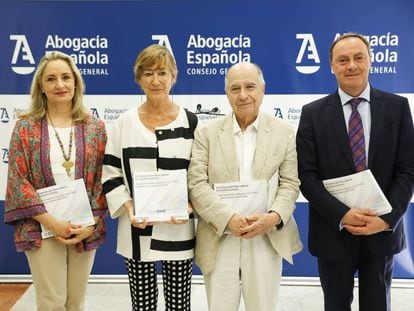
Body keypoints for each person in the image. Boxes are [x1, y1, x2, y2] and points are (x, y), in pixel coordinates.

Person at [296, 32, 414, 311]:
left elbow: (407, 169)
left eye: (358, 58)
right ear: (332, 66)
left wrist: (386, 220)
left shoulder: (397, 108)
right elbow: (307, 177)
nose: (351, 65)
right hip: (333, 231)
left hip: (380, 232)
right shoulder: (312, 114)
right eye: (343, 59)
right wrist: (342, 214)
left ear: (371, 61)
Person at [188, 62, 302, 311]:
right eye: (234, 88)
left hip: (266, 235)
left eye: (250, 87)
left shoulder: (283, 131)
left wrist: (272, 218)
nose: (242, 95)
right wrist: (228, 218)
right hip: (220, 234)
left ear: (263, 89)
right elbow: (196, 184)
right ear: (226, 93)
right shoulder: (206, 133)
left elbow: (290, 183)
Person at [4, 51, 108, 310]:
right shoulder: (26, 127)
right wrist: (52, 222)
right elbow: (18, 181)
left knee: (75, 302)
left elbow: (103, 178)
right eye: (51, 79)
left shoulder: (95, 127)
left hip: (83, 226)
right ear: (41, 85)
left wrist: (91, 223)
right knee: (51, 301)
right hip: (42, 226)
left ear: (76, 82)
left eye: (65, 77)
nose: (60, 85)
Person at [102, 44, 198, 311]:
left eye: (162, 73)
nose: (155, 80)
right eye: (148, 73)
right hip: (136, 229)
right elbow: (111, 173)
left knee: (179, 305)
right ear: (138, 78)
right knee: (142, 305)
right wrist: (130, 209)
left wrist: (191, 207)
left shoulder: (191, 123)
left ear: (173, 76)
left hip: (178, 228)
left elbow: (200, 175)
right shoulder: (124, 122)